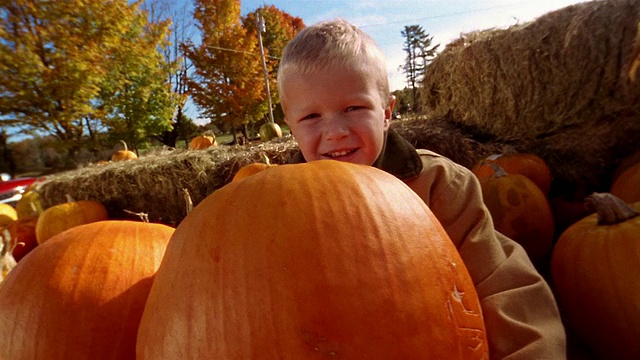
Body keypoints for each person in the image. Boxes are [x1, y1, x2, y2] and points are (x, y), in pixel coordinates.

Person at [277, 18, 566, 359]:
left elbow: (501, 285)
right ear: (291, 127)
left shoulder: (439, 186)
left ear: (386, 112)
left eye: (354, 108)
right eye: (311, 117)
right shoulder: (278, 211)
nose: (336, 131)